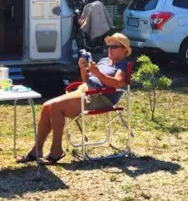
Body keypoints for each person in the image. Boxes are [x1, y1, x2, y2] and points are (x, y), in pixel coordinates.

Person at [17, 32, 131, 164]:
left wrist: (97, 73)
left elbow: (117, 83)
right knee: (46, 106)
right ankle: (36, 150)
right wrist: (83, 69)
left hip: (99, 98)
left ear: (123, 50)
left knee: (55, 107)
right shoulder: (104, 61)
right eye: (109, 46)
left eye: (114, 46)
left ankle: (56, 151)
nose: (110, 49)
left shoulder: (122, 65)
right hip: (85, 90)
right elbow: (87, 79)